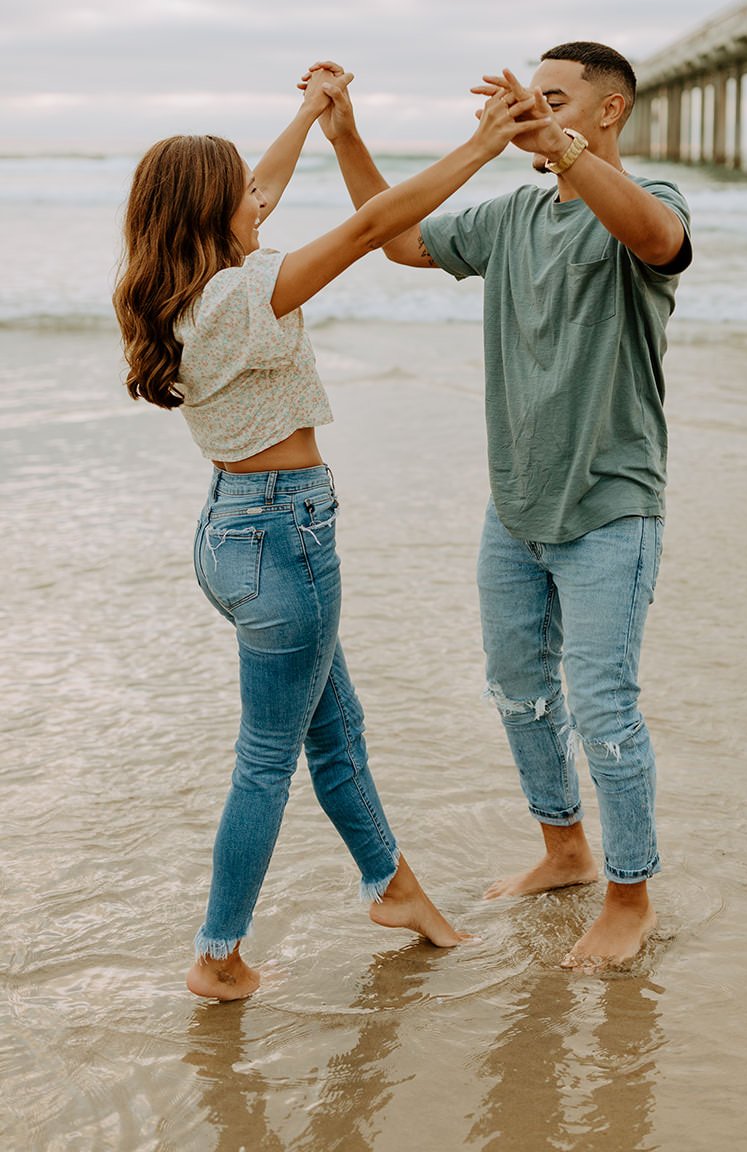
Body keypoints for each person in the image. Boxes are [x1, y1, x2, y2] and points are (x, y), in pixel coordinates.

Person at [113, 66, 549, 1000]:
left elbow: (263, 186)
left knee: (335, 730)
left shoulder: (180, 285)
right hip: (283, 538)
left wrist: (313, 113)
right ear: (212, 212)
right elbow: (366, 228)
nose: (258, 202)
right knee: (268, 759)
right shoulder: (240, 296)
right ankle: (218, 955)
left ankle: (397, 891)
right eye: (242, 196)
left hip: (235, 535)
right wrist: (481, 147)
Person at [302, 42, 691, 968]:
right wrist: (346, 136)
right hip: (513, 509)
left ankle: (630, 896)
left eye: (553, 98)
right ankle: (565, 852)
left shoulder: (652, 202)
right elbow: (397, 240)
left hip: (611, 505)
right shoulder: (511, 215)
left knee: (603, 709)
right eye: (526, 95)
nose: (530, 109)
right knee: (519, 694)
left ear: (608, 113)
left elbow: (653, 240)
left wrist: (561, 151)